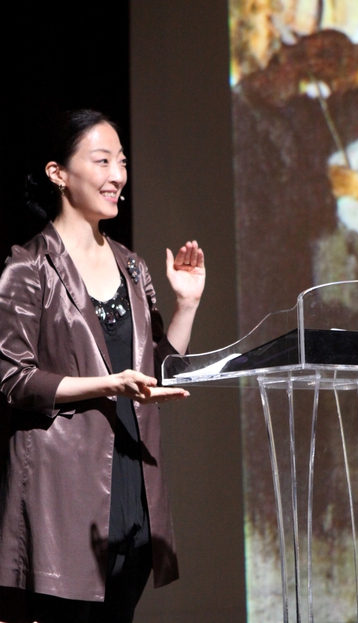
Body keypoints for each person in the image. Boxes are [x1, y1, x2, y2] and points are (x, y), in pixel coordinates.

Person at [0, 109, 206, 623]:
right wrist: (107, 384)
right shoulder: (27, 267)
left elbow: (156, 369)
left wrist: (188, 305)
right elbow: (14, 378)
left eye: (122, 161)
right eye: (102, 160)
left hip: (131, 484)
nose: (118, 174)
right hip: (63, 491)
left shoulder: (132, 266)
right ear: (58, 173)